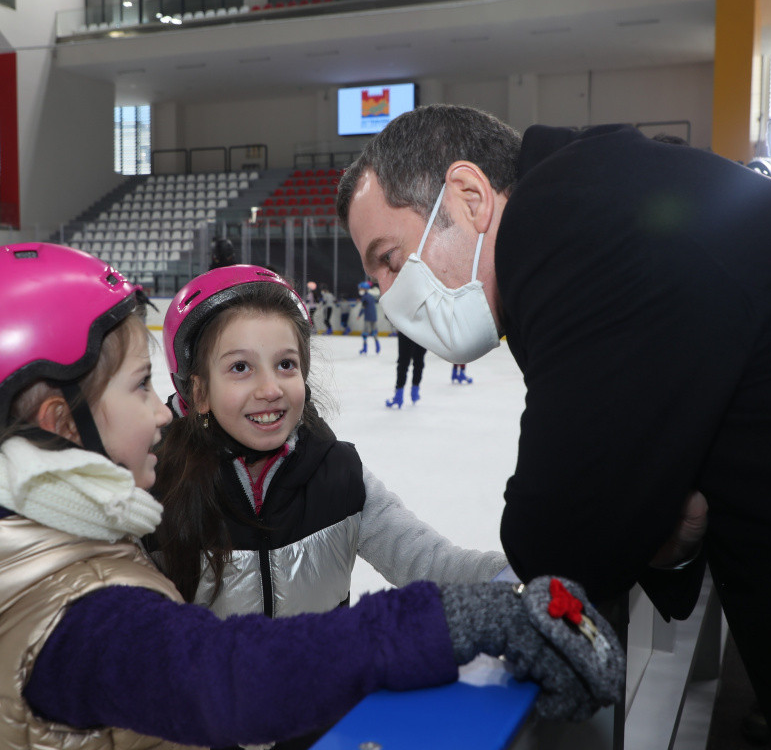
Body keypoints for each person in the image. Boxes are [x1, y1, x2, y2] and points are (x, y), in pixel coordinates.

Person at [0, 243, 625, 750]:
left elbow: (430, 556)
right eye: (140, 385)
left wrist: (527, 582)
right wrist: (455, 621)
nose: (157, 411)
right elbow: (216, 674)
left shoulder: (51, 529)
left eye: (287, 363)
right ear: (61, 420)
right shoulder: (83, 582)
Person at [336, 104, 771, 746]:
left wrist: (636, 523)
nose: (393, 296)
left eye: (391, 258)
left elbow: (561, 540)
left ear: (470, 196)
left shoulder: (568, 219)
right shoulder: (601, 187)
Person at [156, 266, 507, 629]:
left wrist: (516, 581)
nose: (270, 388)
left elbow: (430, 563)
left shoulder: (338, 474)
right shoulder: (154, 493)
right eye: (241, 366)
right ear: (199, 392)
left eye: (286, 364)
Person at [387, 331, 427, 407]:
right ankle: (415, 392)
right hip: (423, 331)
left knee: (404, 362)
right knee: (419, 360)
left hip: (407, 330)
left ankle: (399, 395)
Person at [358, 280, 380, 354]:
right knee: (374, 332)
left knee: (365, 333)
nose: (360, 290)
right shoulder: (371, 296)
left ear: (365, 289)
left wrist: (359, 315)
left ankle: (365, 348)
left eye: (361, 289)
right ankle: (378, 347)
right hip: (374, 317)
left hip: (367, 317)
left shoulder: (365, 297)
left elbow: (363, 307)